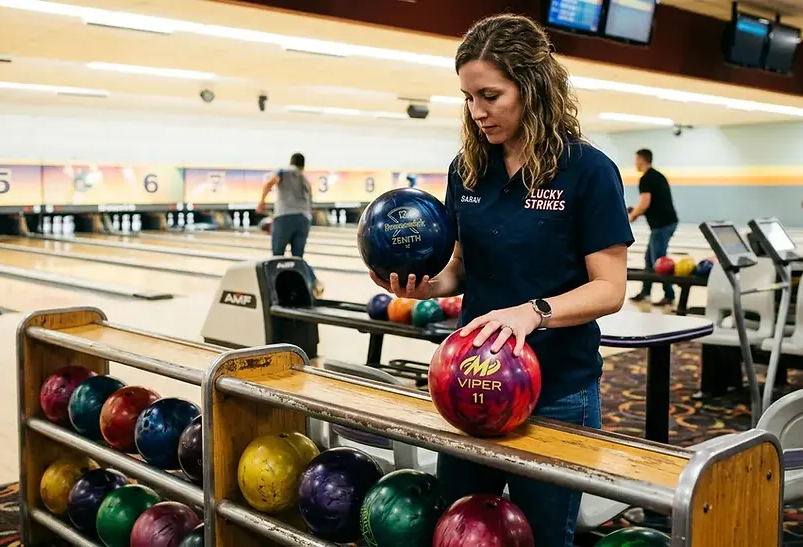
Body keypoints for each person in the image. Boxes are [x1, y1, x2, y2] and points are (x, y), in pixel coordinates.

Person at [370, 14, 633, 547]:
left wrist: (532, 312)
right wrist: (424, 286)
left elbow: (610, 288)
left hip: (558, 385)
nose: (477, 111)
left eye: (490, 95)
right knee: (460, 530)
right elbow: (462, 271)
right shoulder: (466, 168)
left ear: (533, 87)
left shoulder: (587, 170)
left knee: (541, 535)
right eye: (468, 97)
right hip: (469, 383)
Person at [257, 152, 324, 296]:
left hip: (285, 217)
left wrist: (262, 201)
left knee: (277, 256)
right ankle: (314, 283)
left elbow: (270, 182)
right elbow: (310, 204)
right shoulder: (306, 180)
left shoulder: (283, 171)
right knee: (298, 257)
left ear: (291, 162)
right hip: (304, 219)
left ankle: (274, 290)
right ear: (303, 165)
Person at [628, 148, 679, 306]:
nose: (635, 163)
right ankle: (645, 292)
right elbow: (654, 204)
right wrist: (637, 212)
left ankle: (669, 295)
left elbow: (645, 204)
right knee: (649, 259)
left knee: (658, 261)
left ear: (641, 160)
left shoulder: (646, 179)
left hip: (662, 224)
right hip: (667, 221)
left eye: (636, 159)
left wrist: (631, 217)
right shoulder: (658, 176)